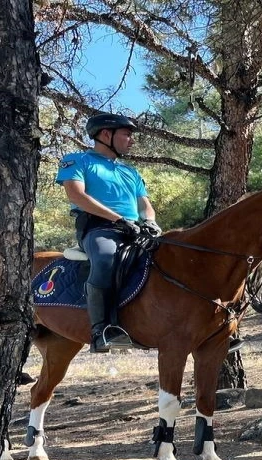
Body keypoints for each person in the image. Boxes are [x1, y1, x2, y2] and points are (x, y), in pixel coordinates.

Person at [57, 112, 160, 353]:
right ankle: (101, 330)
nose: (131, 141)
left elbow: (145, 205)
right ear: (106, 134)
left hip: (135, 230)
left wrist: (151, 222)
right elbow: (76, 196)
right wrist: (117, 219)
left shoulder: (130, 172)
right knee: (105, 258)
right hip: (98, 228)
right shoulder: (77, 161)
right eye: (126, 135)